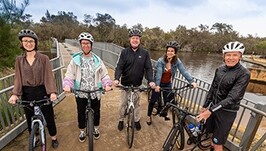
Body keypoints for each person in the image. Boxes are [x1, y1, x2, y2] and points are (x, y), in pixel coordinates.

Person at [8, 29, 59, 148]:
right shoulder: (19, 60)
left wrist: (52, 92)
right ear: (21, 43)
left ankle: (53, 137)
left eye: (31, 41)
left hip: (42, 91)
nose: (28, 43)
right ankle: (34, 137)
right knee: (29, 119)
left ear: (35, 43)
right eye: (25, 41)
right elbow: (18, 78)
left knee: (49, 116)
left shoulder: (43, 58)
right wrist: (15, 94)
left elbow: (48, 76)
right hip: (27, 93)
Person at [196, 41, 250, 151]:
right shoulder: (219, 69)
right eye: (228, 55)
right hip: (213, 108)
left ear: (240, 56)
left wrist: (210, 110)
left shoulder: (244, 73)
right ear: (224, 56)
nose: (231, 58)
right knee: (211, 135)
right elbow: (213, 88)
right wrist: (205, 105)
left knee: (218, 143)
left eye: (235, 55)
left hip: (227, 113)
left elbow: (233, 98)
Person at [63, 32, 112, 142]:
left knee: (97, 111)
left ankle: (95, 128)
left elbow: (104, 74)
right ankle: (82, 130)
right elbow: (69, 74)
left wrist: (107, 84)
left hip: (95, 91)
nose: (86, 45)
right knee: (80, 112)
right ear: (80, 45)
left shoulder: (97, 60)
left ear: (91, 45)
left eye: (88, 43)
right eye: (83, 43)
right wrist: (67, 85)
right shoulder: (75, 60)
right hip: (81, 92)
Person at [113, 27, 155, 131]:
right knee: (122, 104)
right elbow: (119, 67)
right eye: (133, 38)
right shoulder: (124, 52)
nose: (135, 40)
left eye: (137, 38)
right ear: (130, 39)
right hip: (125, 84)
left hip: (137, 85)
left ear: (139, 40)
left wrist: (151, 80)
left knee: (136, 104)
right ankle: (121, 120)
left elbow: (148, 68)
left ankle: (136, 120)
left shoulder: (145, 53)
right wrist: (116, 78)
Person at [146, 41, 197, 125]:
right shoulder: (160, 61)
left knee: (168, 102)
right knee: (152, 100)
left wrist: (191, 81)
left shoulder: (177, 62)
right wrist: (157, 85)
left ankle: (164, 113)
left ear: (175, 53)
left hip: (167, 83)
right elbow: (158, 74)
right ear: (166, 51)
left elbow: (184, 71)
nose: (169, 52)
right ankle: (149, 116)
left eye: (172, 51)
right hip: (158, 83)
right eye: (168, 50)